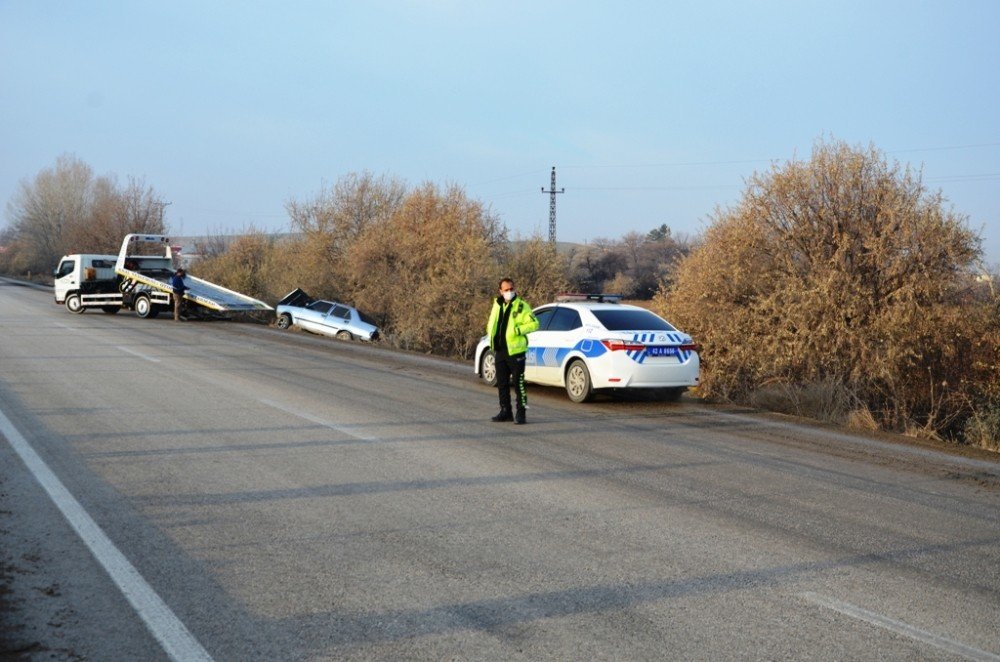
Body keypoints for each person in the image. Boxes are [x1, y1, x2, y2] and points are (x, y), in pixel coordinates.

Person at [486, 278, 539, 424]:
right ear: (500, 291)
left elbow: (534, 323)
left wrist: (518, 330)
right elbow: (492, 323)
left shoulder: (521, 306)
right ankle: (505, 411)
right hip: (500, 350)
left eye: (511, 289)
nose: (509, 292)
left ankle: (521, 413)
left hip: (516, 351)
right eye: (506, 290)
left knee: (519, 383)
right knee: (502, 384)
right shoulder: (497, 305)